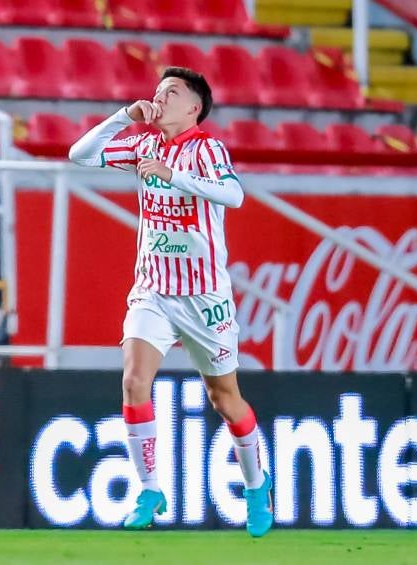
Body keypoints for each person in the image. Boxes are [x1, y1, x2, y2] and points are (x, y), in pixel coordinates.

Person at [68, 66, 272, 537]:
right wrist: (124, 116)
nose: (159, 99)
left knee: (225, 400)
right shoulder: (143, 144)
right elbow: (79, 155)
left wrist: (174, 176)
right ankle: (151, 489)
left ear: (193, 107)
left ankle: (257, 485)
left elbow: (234, 195)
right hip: (153, 290)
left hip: (204, 298)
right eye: (157, 92)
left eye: (171, 93)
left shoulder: (207, 150)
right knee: (134, 380)